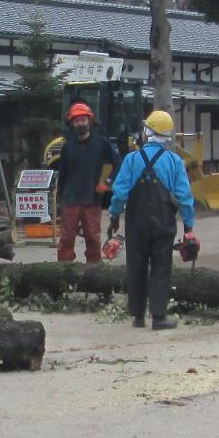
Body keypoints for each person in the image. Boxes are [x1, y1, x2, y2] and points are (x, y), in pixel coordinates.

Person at [107, 109, 196, 330]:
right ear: (167, 136)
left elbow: (119, 193)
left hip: (135, 223)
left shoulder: (131, 159)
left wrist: (114, 216)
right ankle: (158, 317)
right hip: (163, 223)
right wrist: (188, 226)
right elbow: (185, 197)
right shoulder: (175, 161)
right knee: (161, 267)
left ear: (147, 132)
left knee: (135, 266)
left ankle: (137, 317)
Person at [51, 102, 120, 262]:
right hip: (70, 200)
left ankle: (93, 274)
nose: (80, 123)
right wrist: (60, 200)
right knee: (66, 240)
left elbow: (119, 164)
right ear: (72, 123)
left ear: (90, 121)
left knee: (93, 240)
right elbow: (63, 176)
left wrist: (107, 182)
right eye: (77, 120)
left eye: (83, 119)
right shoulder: (67, 147)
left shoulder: (102, 144)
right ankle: (64, 274)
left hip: (92, 199)